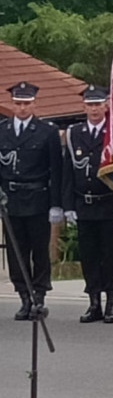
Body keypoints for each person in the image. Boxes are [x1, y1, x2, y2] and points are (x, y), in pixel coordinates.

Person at [0, 81, 63, 319]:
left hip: (38, 198)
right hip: (11, 200)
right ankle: (23, 296)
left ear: (34, 104)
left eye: (26, 103)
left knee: (39, 251)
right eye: (18, 103)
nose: (22, 108)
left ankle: (39, 295)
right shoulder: (2, 130)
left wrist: (56, 204)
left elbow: (56, 170)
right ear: (12, 104)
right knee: (17, 252)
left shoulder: (47, 131)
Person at [61, 85, 113, 323]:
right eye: (90, 105)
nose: (94, 109)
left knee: (110, 256)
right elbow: (68, 171)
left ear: (106, 105)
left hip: (108, 204)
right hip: (84, 204)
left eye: (98, 104)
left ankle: (111, 303)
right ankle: (94, 302)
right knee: (89, 256)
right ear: (84, 107)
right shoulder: (75, 132)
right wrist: (68, 206)